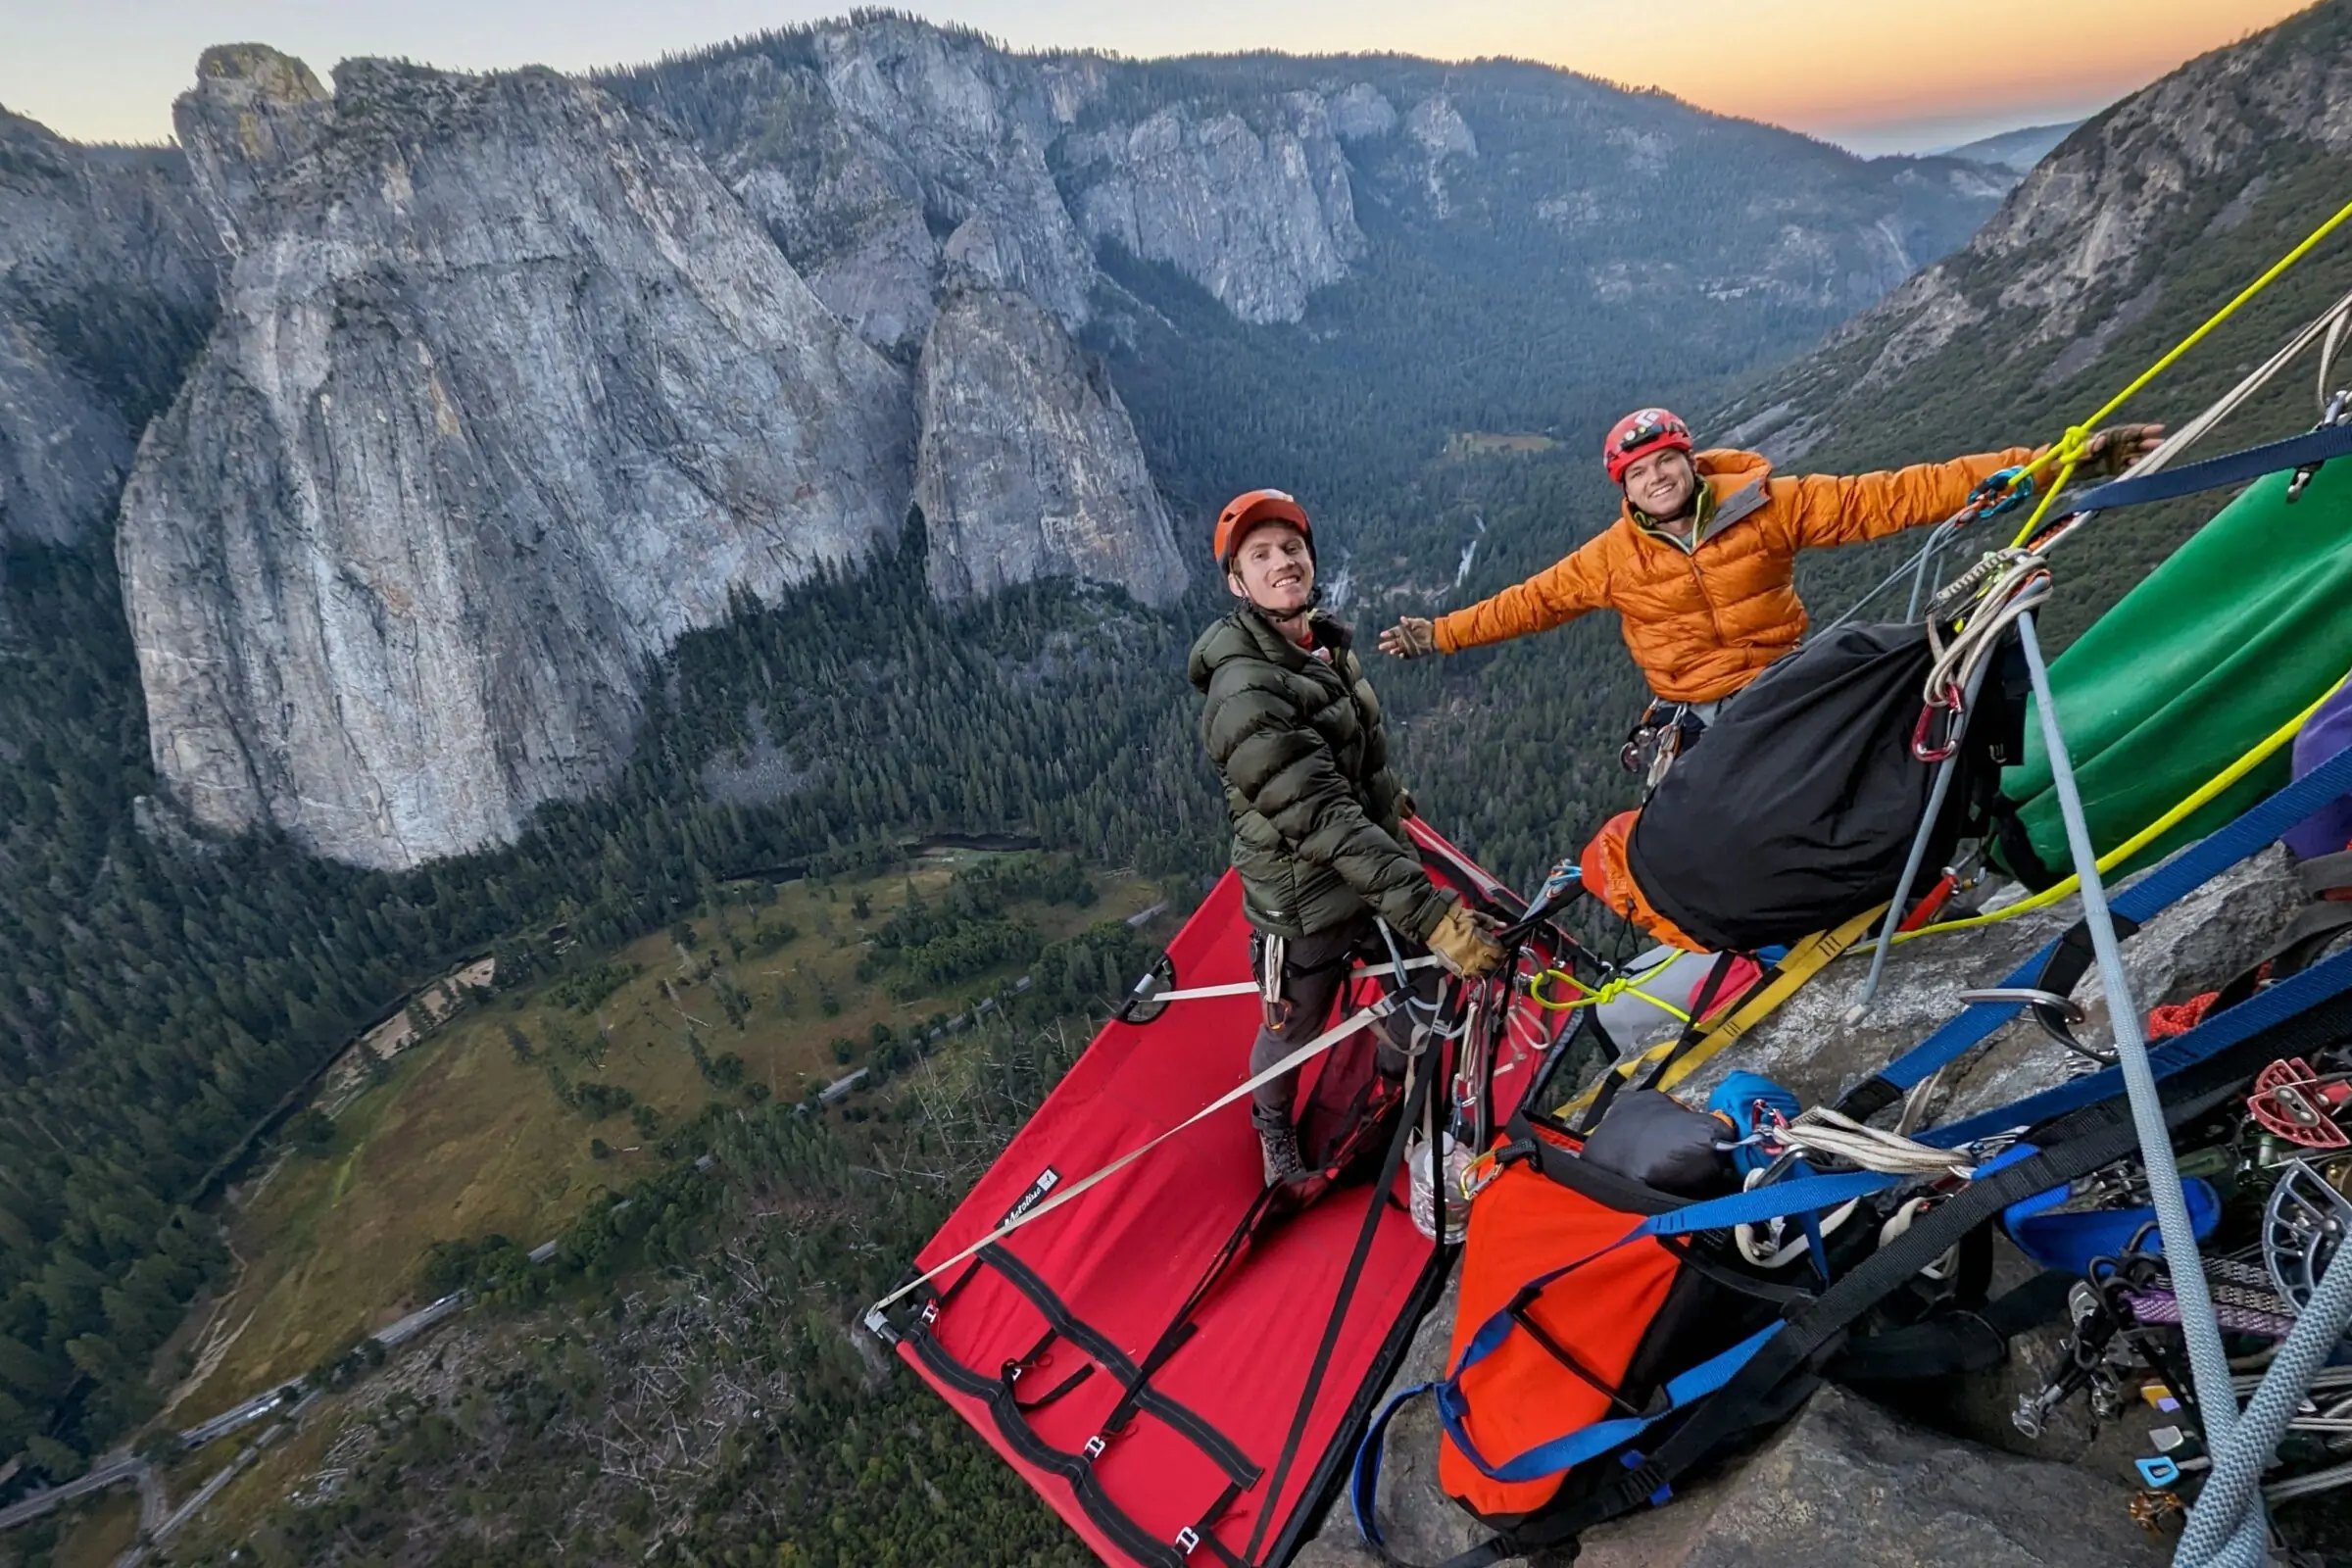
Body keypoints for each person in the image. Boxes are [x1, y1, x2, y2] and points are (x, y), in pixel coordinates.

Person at [1379, 409, 2165, 769]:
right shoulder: (1610, 559)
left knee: (1902, 723)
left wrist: (2055, 464)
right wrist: (1438, 634)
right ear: (1625, 487)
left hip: (1782, 678)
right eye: (1639, 472)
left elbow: (1892, 495)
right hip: (1697, 711)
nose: (1657, 478)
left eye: (1666, 461)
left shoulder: (1768, 505)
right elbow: (1528, 602)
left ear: (1690, 460)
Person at [1190, 489, 1507, 1185]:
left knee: (1421, 977)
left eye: (1292, 549)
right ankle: (1273, 1126)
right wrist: (1431, 915)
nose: (1284, 564)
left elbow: (1356, 754)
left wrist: (1390, 801)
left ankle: (1387, 1084)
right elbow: (1323, 818)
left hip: (1365, 864)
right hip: (1304, 898)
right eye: (1261, 555)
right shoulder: (1245, 691)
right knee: (1293, 1030)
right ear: (1237, 582)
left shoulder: (1322, 646)